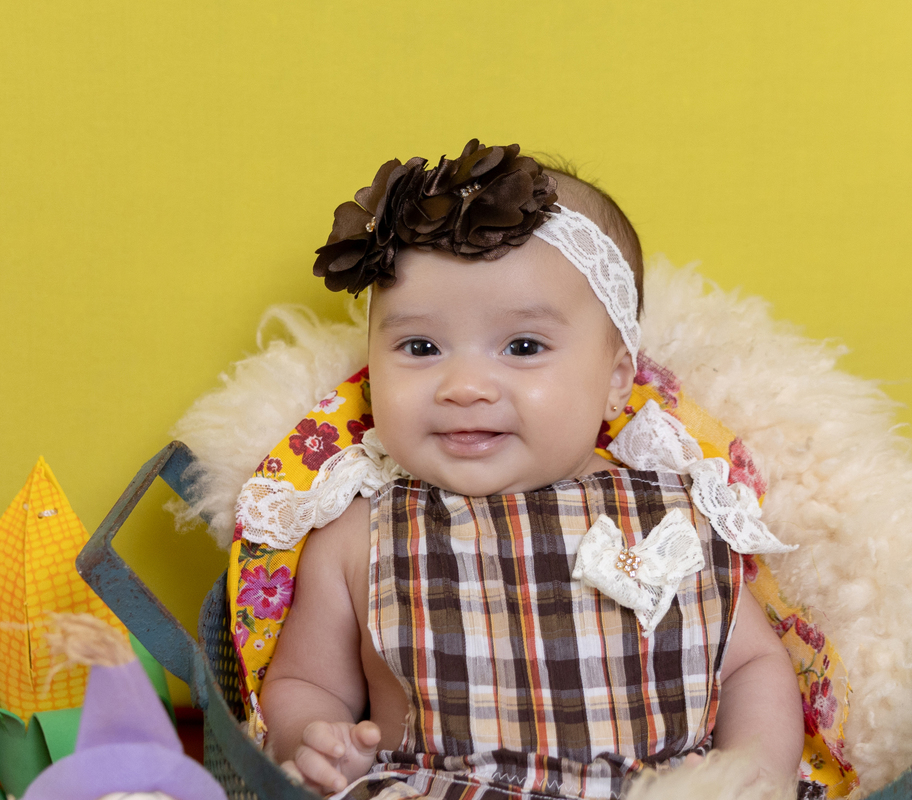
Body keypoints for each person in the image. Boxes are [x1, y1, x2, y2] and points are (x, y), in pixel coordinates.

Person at [257, 140, 803, 800]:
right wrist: (315, 740)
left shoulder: (675, 510)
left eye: (522, 346)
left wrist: (752, 772)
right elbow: (305, 682)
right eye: (421, 346)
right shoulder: (359, 531)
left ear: (616, 380)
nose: (465, 386)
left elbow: (749, 665)